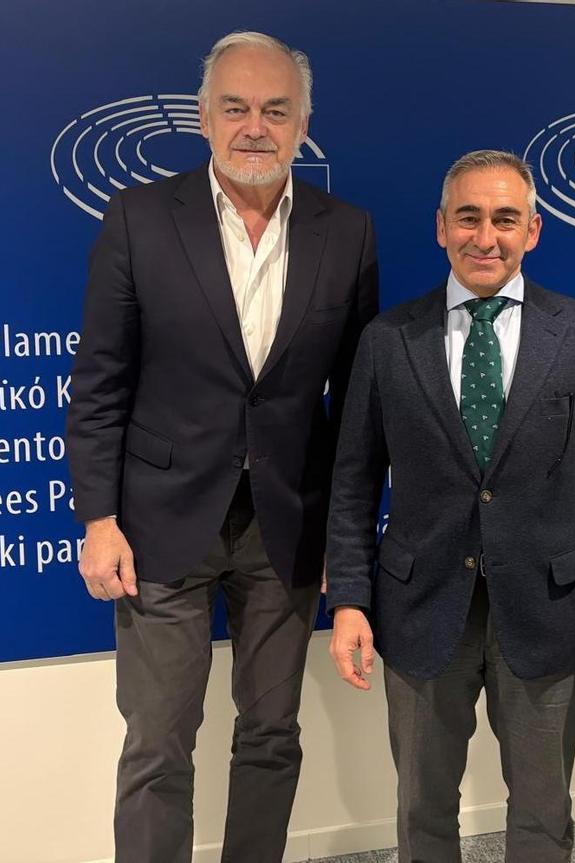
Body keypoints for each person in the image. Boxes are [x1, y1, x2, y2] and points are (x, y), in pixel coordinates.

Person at [64, 31, 378, 863]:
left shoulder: (346, 233)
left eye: (276, 111)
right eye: (235, 107)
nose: (255, 127)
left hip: (287, 526)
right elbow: (100, 380)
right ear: (203, 118)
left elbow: (355, 408)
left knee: (272, 732)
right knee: (159, 741)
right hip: (158, 523)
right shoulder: (138, 218)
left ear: (303, 123)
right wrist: (98, 517)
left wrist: (343, 544)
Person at [325, 150, 575, 862]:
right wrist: (349, 598)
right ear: (441, 227)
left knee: (542, 810)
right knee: (421, 809)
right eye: (468, 217)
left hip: (548, 607)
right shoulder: (387, 341)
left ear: (533, 230)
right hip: (418, 607)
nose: (486, 236)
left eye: (506, 219)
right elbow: (351, 483)